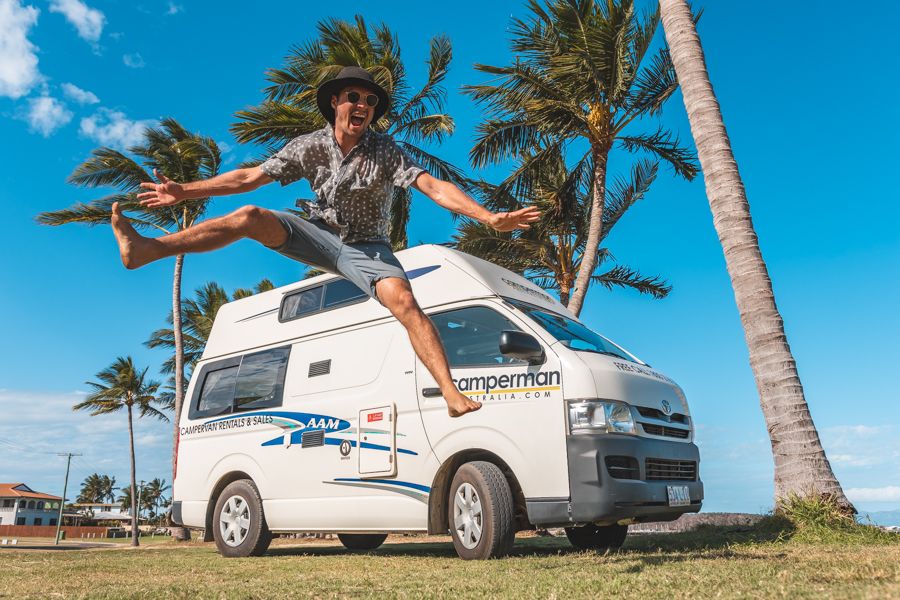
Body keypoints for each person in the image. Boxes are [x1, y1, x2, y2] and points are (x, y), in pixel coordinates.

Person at [114, 66, 539, 417]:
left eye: (371, 103)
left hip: (368, 247)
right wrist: (184, 191)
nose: (363, 107)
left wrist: (488, 216)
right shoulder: (309, 146)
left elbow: (431, 185)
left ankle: (450, 394)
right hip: (317, 233)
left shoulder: (385, 150)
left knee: (406, 303)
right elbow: (248, 178)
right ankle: (148, 249)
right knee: (251, 216)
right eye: (355, 97)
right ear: (335, 102)